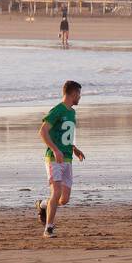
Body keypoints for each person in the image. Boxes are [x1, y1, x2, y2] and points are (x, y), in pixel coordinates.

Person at [38, 80, 85, 239]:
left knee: (64, 199)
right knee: (56, 192)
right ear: (73, 94)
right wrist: (55, 150)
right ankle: (48, 228)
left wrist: (74, 148)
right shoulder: (57, 110)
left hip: (67, 158)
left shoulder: (72, 112)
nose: (80, 97)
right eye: (79, 94)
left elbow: (65, 135)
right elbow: (43, 132)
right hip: (54, 158)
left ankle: (44, 205)